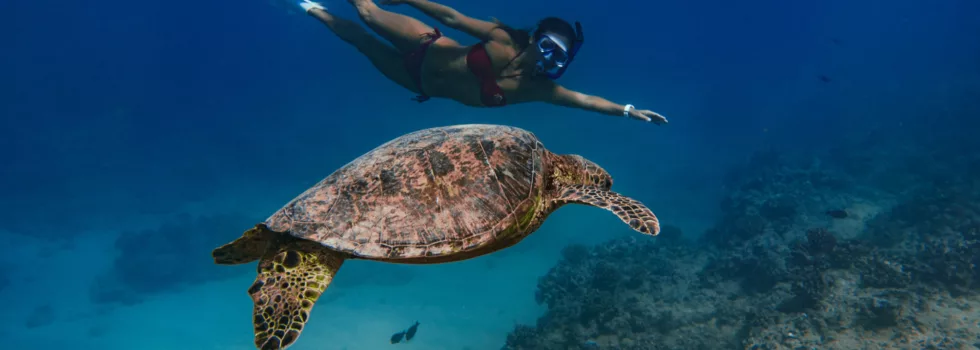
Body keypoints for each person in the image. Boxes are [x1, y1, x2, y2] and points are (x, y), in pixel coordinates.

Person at [288, 0, 668, 124]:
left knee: (360, 42)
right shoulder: (503, 40)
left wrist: (627, 110)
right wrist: (409, 0)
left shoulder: (538, 89)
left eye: (560, 55)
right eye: (549, 45)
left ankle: (310, 7)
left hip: (415, 82)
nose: (551, 57)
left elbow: (584, 100)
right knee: (369, 15)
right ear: (535, 38)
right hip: (425, 44)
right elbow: (453, 19)